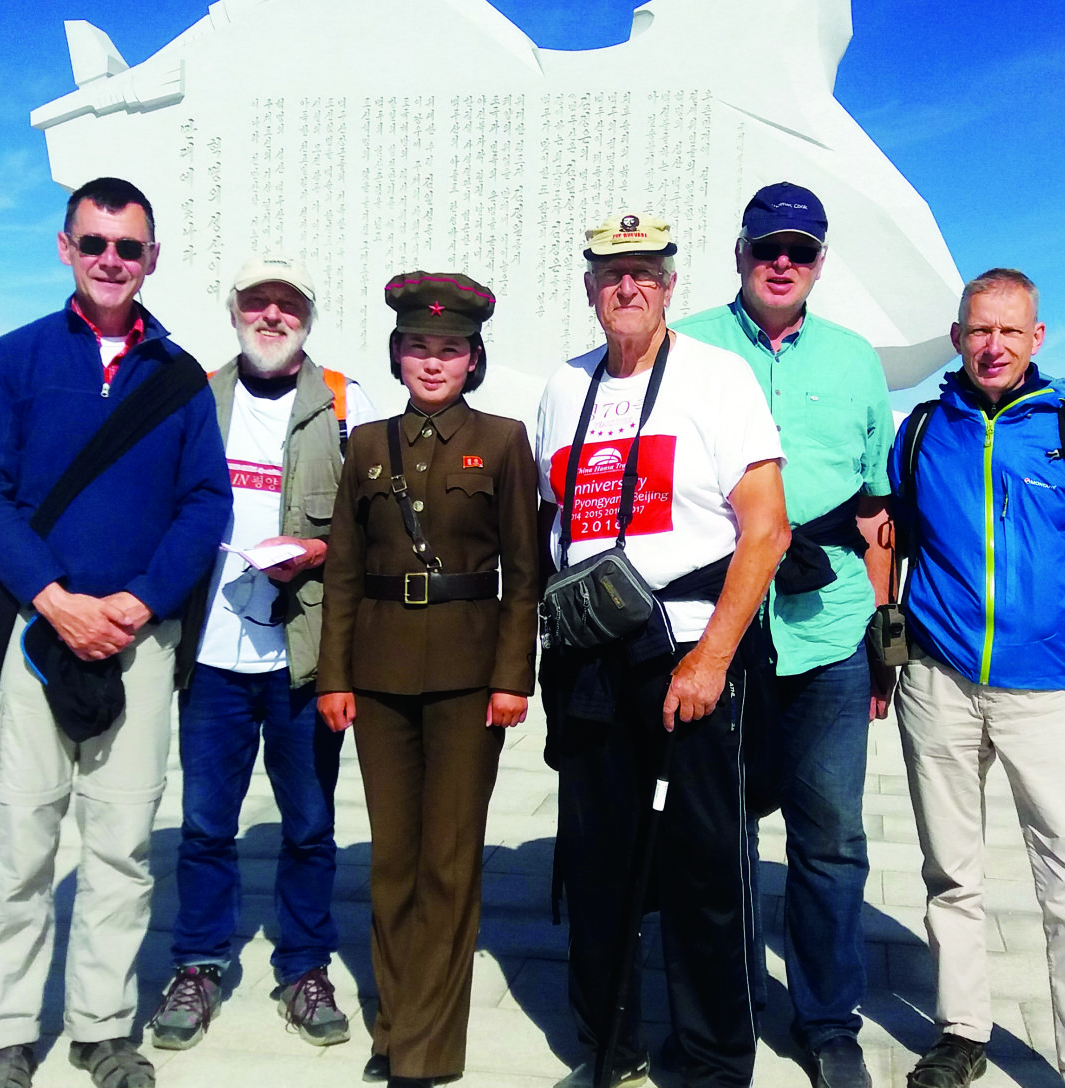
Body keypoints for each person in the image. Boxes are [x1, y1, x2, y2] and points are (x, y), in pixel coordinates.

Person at [0, 177, 231, 1088]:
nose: (112, 260)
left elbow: (204, 503)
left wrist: (143, 601)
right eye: (95, 243)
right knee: (23, 843)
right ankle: (5, 1034)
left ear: (152, 259)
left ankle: (103, 1027)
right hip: (37, 636)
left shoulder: (181, 377)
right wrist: (54, 597)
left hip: (139, 644)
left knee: (120, 846)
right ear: (66, 248)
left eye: (130, 247)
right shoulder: (14, 359)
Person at [536, 212, 790, 1088]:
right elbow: (554, 521)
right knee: (597, 865)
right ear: (590, 288)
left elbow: (766, 530)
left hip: (686, 654)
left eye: (645, 272)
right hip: (591, 663)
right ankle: (609, 1046)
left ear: (671, 284)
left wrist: (713, 657)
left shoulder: (718, 379)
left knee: (702, 868)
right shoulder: (562, 388)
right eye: (612, 274)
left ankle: (716, 1061)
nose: (628, 287)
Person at [886, 268, 1065, 1088]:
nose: (992, 346)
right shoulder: (923, 431)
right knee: (951, 871)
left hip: (1048, 689)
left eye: (1009, 331)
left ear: (1036, 339)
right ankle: (962, 1031)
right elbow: (891, 546)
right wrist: (888, 662)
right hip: (940, 679)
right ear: (958, 337)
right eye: (978, 329)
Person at [672, 181, 893, 1088]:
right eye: (768, 246)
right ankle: (713, 1019)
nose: (782, 263)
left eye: (800, 251)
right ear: (739, 254)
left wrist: (882, 634)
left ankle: (827, 1018)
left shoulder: (854, 362)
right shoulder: (687, 346)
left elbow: (878, 511)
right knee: (708, 835)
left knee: (830, 836)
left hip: (826, 629)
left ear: (819, 264)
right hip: (713, 626)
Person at [316, 271, 540, 1088]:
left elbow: (525, 569)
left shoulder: (505, 440)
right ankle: (395, 1020)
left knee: (449, 859)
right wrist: (333, 676)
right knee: (392, 862)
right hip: (376, 672)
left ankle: (425, 1049)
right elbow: (343, 568)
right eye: (418, 347)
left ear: (472, 359)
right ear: (397, 354)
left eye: (449, 349)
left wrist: (514, 675)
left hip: (468, 675)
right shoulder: (367, 444)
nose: (433, 362)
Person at [149, 255, 377, 1053]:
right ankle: (201, 962)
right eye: (258, 302)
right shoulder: (195, 399)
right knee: (207, 823)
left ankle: (304, 965)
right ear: (235, 311)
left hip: (302, 654)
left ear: (308, 318)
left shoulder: (346, 404)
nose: (272, 316)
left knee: (311, 825)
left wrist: (316, 553)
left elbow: (370, 524)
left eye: (288, 305)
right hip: (209, 655)